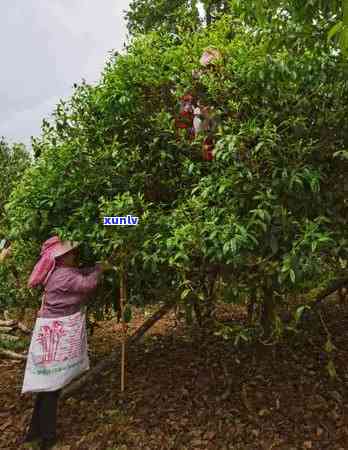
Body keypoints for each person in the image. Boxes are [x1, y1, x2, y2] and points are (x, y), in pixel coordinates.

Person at [21, 236, 111, 450]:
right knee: (52, 387)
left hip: (50, 330)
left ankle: (34, 432)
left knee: (47, 388)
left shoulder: (58, 273)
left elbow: (79, 274)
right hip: (55, 333)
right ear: (62, 257)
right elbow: (87, 283)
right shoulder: (63, 276)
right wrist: (99, 269)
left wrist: (94, 267)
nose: (75, 255)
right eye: (71, 253)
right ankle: (47, 438)